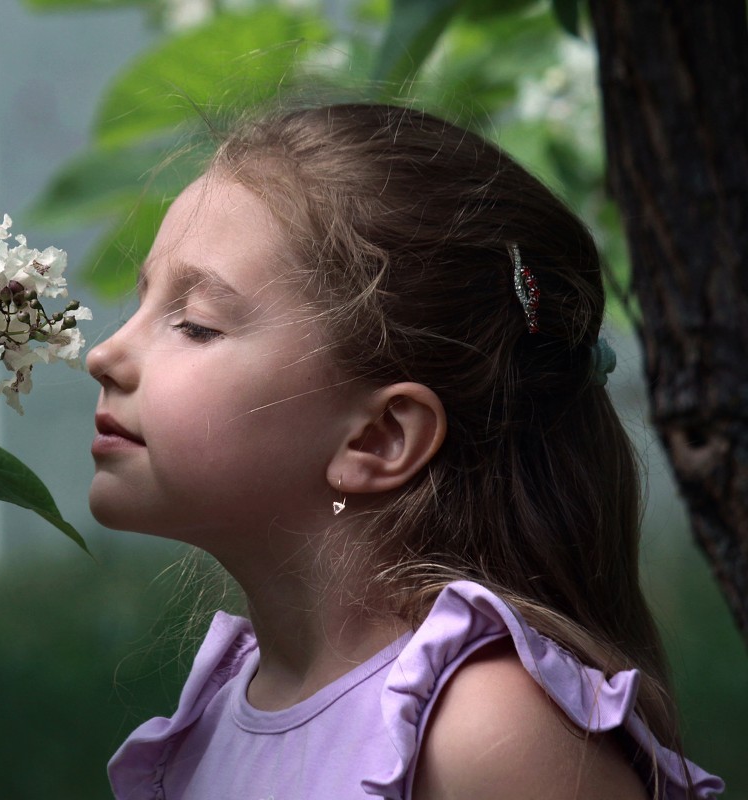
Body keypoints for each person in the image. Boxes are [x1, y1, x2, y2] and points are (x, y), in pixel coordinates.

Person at [85, 104, 725, 800]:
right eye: (143, 302)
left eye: (196, 324)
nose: (103, 355)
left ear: (378, 438)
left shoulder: (487, 735)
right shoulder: (217, 715)